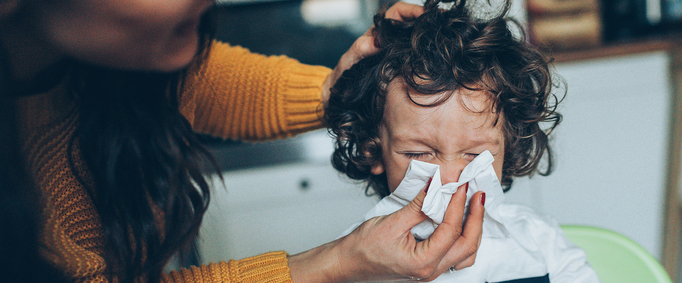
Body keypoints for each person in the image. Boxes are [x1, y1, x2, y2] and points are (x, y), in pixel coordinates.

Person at [0, 0, 487, 282]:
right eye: (419, 151)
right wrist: (337, 261)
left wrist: (344, 93)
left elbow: (206, 80)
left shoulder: (120, 63)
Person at [324, 0, 600, 282]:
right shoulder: (354, 261)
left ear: (508, 145)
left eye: (474, 155)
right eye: (419, 154)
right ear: (373, 149)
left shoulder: (539, 242)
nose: (449, 179)